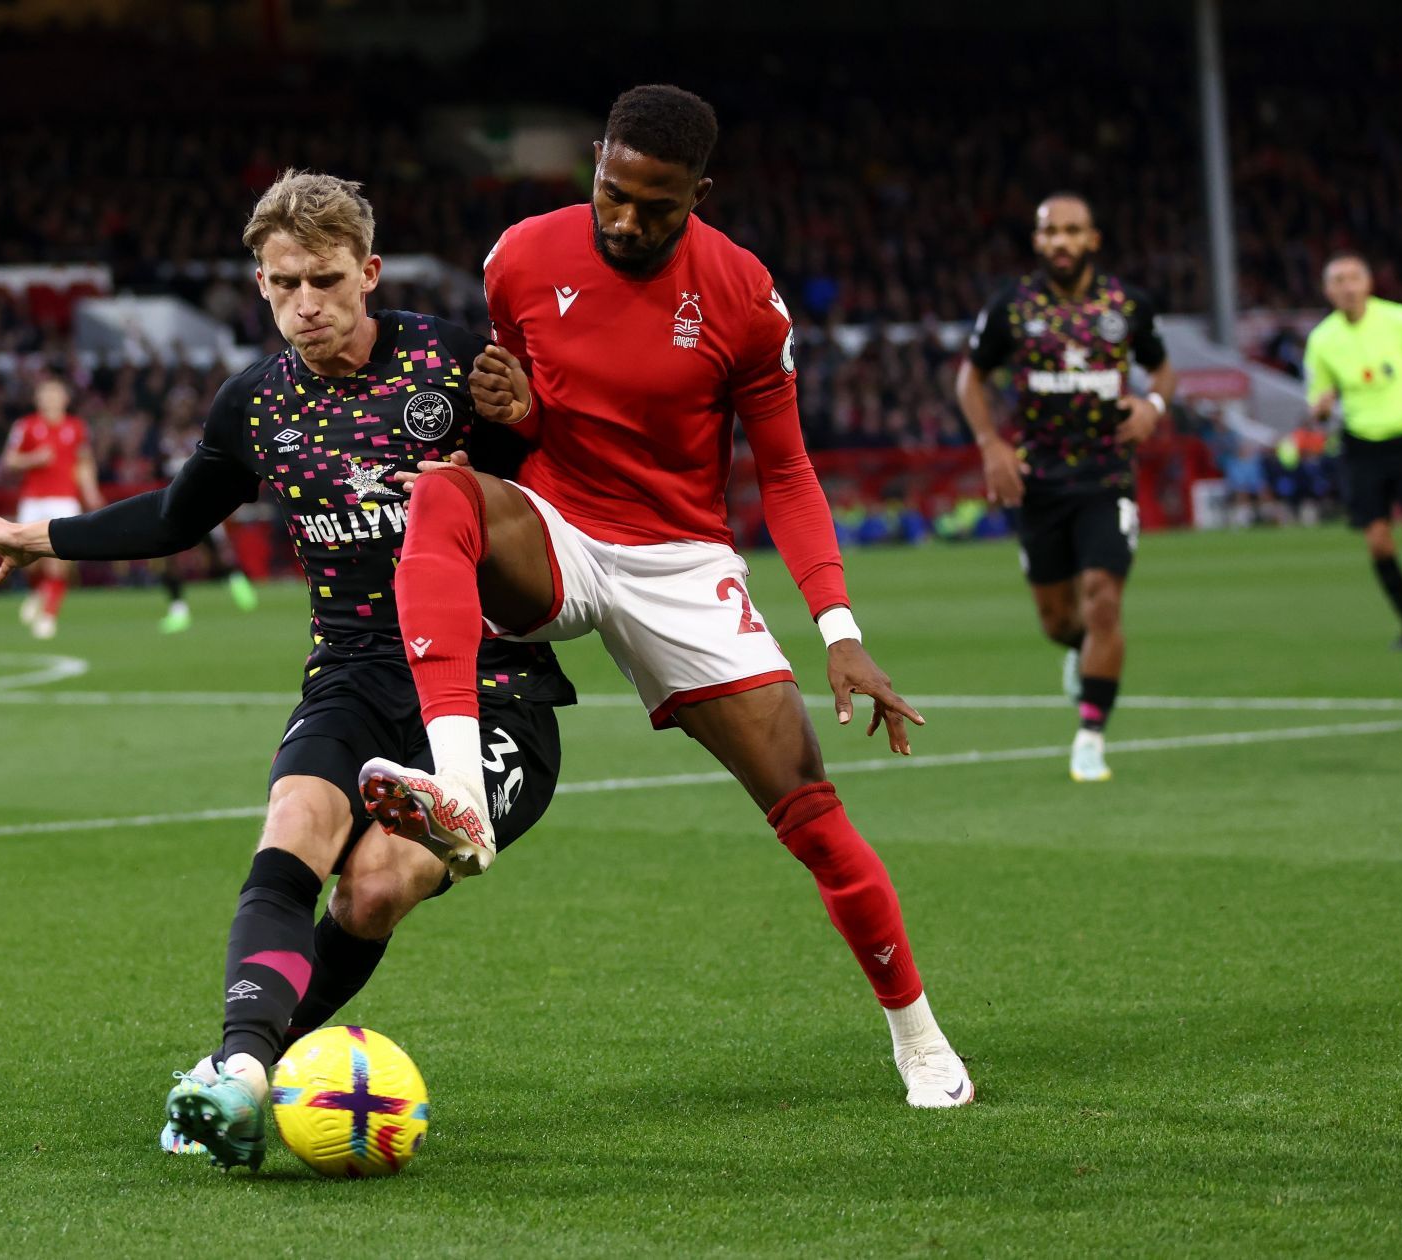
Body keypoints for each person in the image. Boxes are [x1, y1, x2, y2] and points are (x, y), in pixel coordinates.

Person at [360, 85, 972, 1109]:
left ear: (700, 192)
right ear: (595, 163)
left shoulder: (743, 297)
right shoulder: (519, 257)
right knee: (440, 499)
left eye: (658, 206)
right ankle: (459, 791)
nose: (629, 222)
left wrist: (840, 629)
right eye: (613, 194)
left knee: (811, 811)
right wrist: (513, 417)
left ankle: (918, 1037)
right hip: (558, 529)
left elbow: (785, 473)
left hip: (681, 562)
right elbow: (522, 429)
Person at [0, 171, 574, 1168]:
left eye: (325, 279)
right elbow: (172, 515)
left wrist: (535, 422)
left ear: (369, 273)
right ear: (259, 285)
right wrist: (44, 537)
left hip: (491, 682)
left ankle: (253, 1061)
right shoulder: (256, 404)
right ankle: (241, 1074)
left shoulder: (456, 365)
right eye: (283, 284)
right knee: (292, 835)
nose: (305, 305)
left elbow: (571, 479)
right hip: (353, 675)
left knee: (373, 888)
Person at [955, 192, 1176, 783]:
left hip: (1107, 475)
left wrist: (1153, 403)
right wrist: (990, 444)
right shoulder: (1012, 307)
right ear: (1038, 241)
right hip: (1039, 480)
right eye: (1050, 232)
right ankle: (1080, 656)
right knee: (1058, 621)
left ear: (1092, 239)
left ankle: (1090, 735)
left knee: (1103, 598)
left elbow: (1162, 367)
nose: (1061, 241)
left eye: (1073, 231)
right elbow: (969, 379)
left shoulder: (1127, 305)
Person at [1305, 253, 1402, 647]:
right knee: (1378, 540)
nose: (1347, 286)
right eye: (1338, 280)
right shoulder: (1322, 340)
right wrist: (1322, 408)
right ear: (1327, 291)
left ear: (1369, 282)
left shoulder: (1400, 320)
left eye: (1353, 277)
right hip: (1361, 446)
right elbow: (1317, 401)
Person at [5, 378, 104, 639]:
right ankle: (38, 591)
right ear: (37, 399)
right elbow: (9, 460)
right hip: (32, 500)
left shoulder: (76, 427)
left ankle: (49, 615)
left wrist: (91, 492)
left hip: (63, 499)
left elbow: (83, 462)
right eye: (45, 394)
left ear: (65, 399)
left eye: (55, 394)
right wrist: (33, 459)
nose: (50, 399)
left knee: (59, 558)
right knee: (28, 559)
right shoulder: (25, 426)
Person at [158, 522, 260, 633]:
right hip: (174, 515)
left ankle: (238, 585)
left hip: (200, 512)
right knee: (167, 560)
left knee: (217, 555)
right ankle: (179, 611)